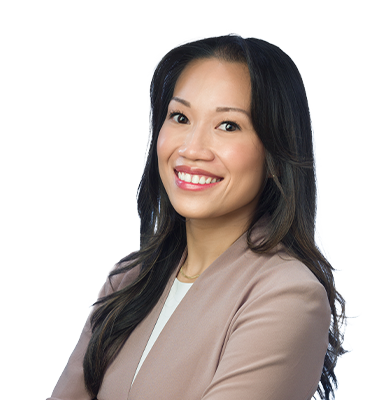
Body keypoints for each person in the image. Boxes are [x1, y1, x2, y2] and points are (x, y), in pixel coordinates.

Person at [47, 33, 347, 400]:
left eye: (228, 125)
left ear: (275, 155)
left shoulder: (288, 295)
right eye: (180, 117)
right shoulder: (128, 279)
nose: (191, 149)